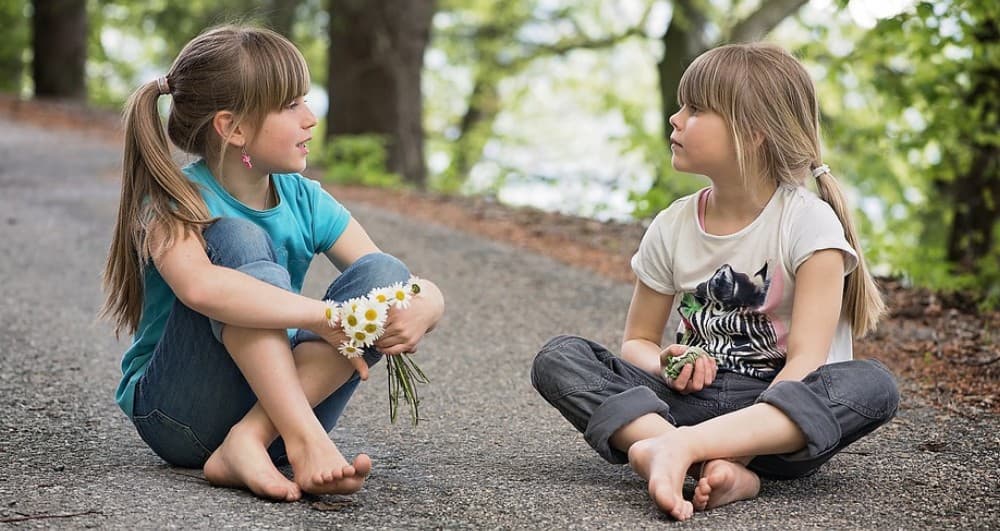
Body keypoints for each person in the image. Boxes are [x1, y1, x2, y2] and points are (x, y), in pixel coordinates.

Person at [531, 42, 899, 521]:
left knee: (872, 385)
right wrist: (668, 361)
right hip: (683, 404)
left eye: (697, 109)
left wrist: (736, 450)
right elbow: (638, 341)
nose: (676, 119)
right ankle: (686, 455)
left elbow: (806, 363)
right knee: (560, 358)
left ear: (753, 134)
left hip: (775, 426)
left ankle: (671, 451)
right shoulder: (673, 223)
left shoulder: (809, 225)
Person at [100, 25, 444, 502]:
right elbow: (200, 289)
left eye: (306, 101)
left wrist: (428, 303)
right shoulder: (173, 201)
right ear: (233, 128)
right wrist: (325, 317)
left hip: (279, 414)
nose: (311, 119)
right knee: (237, 237)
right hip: (181, 416)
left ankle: (251, 440)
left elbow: (390, 277)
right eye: (290, 106)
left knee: (383, 274)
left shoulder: (304, 199)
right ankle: (301, 438)